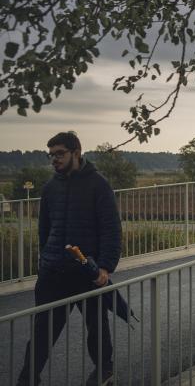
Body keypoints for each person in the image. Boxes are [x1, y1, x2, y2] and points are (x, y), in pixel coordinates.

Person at [18, 131, 121, 386]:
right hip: (53, 273)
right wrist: (45, 260)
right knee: (42, 331)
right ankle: (28, 379)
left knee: (97, 327)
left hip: (87, 271)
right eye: (51, 155)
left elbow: (111, 228)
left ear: (76, 153)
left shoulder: (98, 184)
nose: (54, 159)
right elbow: (44, 229)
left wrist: (106, 267)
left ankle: (104, 371)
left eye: (60, 154)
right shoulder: (50, 187)